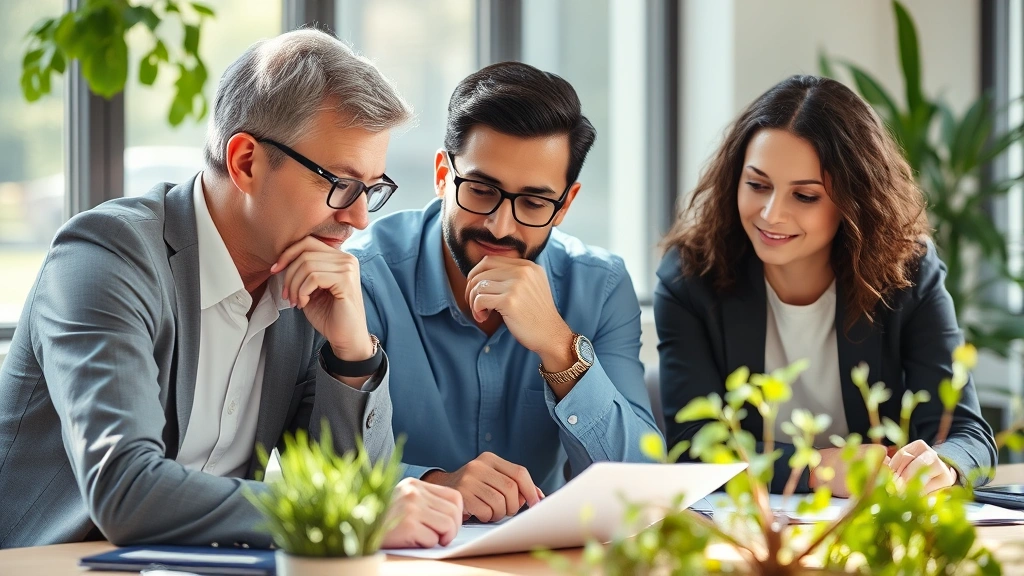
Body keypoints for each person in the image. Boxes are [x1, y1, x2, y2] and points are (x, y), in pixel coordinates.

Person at [0, 29, 461, 549]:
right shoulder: (105, 256)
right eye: (339, 184)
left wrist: (351, 355)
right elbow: (124, 491)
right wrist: (345, 515)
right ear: (245, 162)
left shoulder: (304, 280)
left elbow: (351, 488)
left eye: (371, 190)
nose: (357, 217)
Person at [344, 61, 661, 522]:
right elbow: (318, 467)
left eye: (533, 202)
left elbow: (644, 486)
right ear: (442, 175)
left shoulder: (601, 286)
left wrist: (559, 347)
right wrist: (433, 484)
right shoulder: (365, 277)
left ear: (565, 204)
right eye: (480, 189)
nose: (500, 225)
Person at [655, 75, 997, 496]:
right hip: (750, 536)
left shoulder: (908, 272)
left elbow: (968, 435)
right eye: (758, 185)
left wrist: (941, 465)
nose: (771, 214)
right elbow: (692, 448)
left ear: (854, 200)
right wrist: (816, 470)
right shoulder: (691, 276)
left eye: (805, 196)